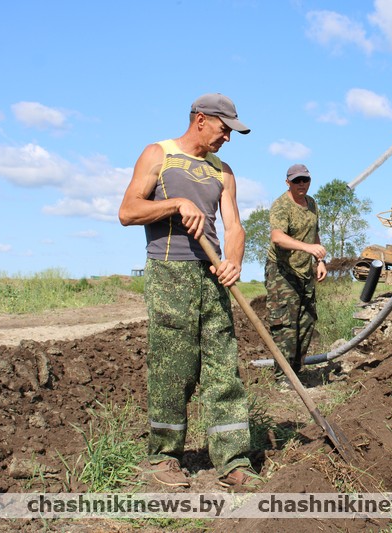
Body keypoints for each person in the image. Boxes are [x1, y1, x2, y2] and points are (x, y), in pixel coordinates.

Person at [118, 93, 256, 490]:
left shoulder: (223, 171)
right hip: (170, 272)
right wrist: (176, 203)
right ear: (201, 119)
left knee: (222, 365)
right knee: (171, 367)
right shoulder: (158, 154)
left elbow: (235, 226)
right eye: (224, 128)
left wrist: (232, 263)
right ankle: (164, 456)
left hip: (212, 277)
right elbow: (128, 211)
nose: (227, 137)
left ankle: (232, 460)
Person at [265, 163, 327, 375]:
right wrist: (308, 248)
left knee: (306, 321)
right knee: (286, 326)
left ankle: (297, 373)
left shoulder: (312, 204)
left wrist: (319, 261)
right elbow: (278, 237)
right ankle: (283, 376)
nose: (301, 184)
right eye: (296, 181)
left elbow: (314, 233)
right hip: (282, 272)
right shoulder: (281, 206)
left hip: (305, 271)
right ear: (288, 182)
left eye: (305, 180)